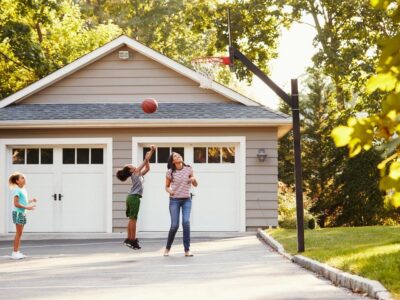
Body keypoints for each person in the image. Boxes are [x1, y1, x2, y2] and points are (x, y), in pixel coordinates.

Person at [116, 145, 155, 250]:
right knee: (133, 219)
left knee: (131, 219)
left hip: (131, 197)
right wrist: (152, 151)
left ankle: (129, 239)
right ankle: (133, 240)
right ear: (131, 170)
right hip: (134, 198)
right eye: (131, 165)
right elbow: (145, 160)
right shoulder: (136, 172)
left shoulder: (138, 174)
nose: (133, 165)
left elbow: (147, 168)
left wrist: (147, 159)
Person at [164, 152, 198, 257]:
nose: (178, 156)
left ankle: (187, 250)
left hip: (187, 200)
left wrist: (194, 180)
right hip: (174, 200)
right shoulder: (170, 172)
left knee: (186, 222)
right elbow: (166, 186)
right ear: (172, 161)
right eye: (175, 156)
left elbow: (195, 185)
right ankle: (167, 248)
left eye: (179, 155)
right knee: (174, 225)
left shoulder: (189, 169)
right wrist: (170, 191)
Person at [8, 172, 37, 260]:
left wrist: (31, 200)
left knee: (20, 233)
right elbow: (16, 204)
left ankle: (17, 252)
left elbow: (23, 201)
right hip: (18, 213)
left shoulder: (23, 190)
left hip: (22, 213)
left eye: (24, 177)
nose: (24, 179)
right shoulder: (16, 190)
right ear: (17, 181)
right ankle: (15, 253)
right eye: (22, 178)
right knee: (19, 233)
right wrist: (27, 208)